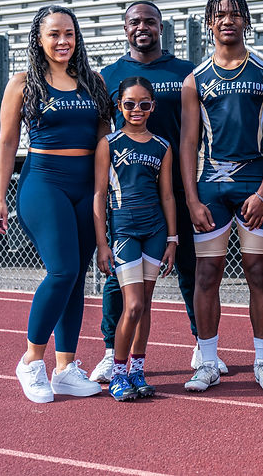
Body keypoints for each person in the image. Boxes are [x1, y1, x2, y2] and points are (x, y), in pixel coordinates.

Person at [0, 4, 112, 403]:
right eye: (54, 34)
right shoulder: (23, 83)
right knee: (62, 271)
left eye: (69, 34)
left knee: (76, 278)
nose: (63, 41)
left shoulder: (93, 81)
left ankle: (65, 368)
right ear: (38, 40)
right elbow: (7, 142)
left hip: (85, 186)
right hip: (44, 182)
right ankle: (30, 361)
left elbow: (103, 140)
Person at [91, 1, 211, 384]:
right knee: (119, 281)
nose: (142, 27)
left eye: (150, 21)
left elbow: (198, 127)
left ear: (161, 27)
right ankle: (111, 351)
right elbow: (101, 131)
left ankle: (201, 344)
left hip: (176, 185)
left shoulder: (185, 71)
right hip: (128, 194)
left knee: (189, 267)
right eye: (135, 22)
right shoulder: (108, 76)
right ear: (125, 28)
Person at [180, 0, 263, 392]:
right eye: (220, 14)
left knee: (259, 272)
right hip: (211, 188)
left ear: (246, 21)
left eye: (235, 14)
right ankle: (207, 362)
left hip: (254, 185)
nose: (227, 20)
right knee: (207, 274)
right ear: (209, 23)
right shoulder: (195, 80)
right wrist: (192, 199)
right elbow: (189, 144)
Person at [93, 77, 177, 401]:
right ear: (119, 106)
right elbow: (99, 195)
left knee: (146, 305)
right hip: (125, 231)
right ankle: (118, 372)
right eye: (129, 104)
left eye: (144, 104)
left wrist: (172, 239)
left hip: (155, 231)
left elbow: (167, 195)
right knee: (134, 305)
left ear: (153, 106)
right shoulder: (109, 144)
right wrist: (102, 243)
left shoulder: (162, 146)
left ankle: (137, 370)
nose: (136, 110)